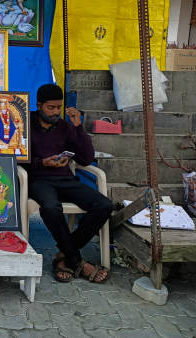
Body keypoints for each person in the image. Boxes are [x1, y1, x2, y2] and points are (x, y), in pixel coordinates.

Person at [29, 83, 112, 283]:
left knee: (104, 205)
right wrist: (42, 162)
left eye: (59, 107)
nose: (56, 112)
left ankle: (64, 255)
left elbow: (85, 158)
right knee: (50, 208)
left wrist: (78, 127)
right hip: (39, 180)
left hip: (65, 179)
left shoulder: (66, 127)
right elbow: (16, 157)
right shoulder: (25, 122)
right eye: (51, 108)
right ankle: (76, 261)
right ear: (39, 105)